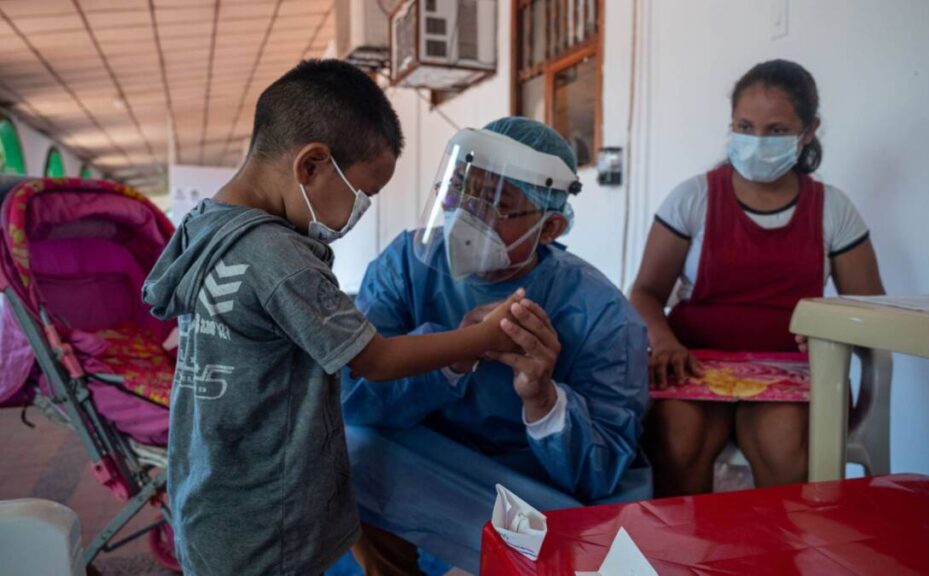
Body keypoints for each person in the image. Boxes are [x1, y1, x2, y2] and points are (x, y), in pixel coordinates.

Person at [141, 60, 522, 576]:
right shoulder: (279, 257)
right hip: (267, 520)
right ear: (311, 165)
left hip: (208, 495)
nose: (358, 212)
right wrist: (479, 337)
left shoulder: (205, 226)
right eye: (363, 195)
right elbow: (374, 359)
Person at [342, 117, 650, 575]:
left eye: (497, 205)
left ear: (549, 230)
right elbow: (354, 397)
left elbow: (600, 471)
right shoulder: (407, 266)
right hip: (426, 466)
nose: (466, 215)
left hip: (533, 493)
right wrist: (453, 352)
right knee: (347, 453)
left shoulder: (602, 314)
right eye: (461, 192)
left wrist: (543, 400)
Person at [629, 60, 885, 496]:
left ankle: (776, 557)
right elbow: (645, 292)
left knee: (784, 443)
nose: (757, 142)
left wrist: (832, 329)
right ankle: (678, 558)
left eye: (776, 130)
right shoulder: (693, 198)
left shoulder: (833, 210)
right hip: (694, 361)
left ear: (808, 132)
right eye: (745, 127)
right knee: (676, 436)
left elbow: (874, 313)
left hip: (796, 370)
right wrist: (664, 339)